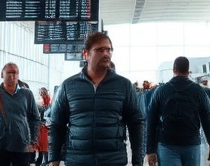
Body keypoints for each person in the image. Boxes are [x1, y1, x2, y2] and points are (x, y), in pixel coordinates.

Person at [47, 32, 144, 166]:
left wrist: (138, 160)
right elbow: (57, 125)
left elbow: (136, 123)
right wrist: (53, 159)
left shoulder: (123, 86)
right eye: (99, 50)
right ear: (86, 54)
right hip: (78, 160)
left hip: (113, 160)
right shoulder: (68, 86)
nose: (106, 53)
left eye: (108, 49)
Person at [145, 57, 210, 166]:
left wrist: (150, 151)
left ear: (173, 70)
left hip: (167, 144)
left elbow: (151, 121)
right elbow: (208, 120)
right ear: (188, 70)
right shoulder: (199, 91)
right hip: (192, 143)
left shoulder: (160, 91)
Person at [0, 62, 42, 166]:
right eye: (9, 73)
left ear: (18, 75)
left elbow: (35, 118)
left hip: (22, 145)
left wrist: (32, 141)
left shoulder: (27, 94)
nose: (12, 76)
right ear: (2, 75)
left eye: (15, 73)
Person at [36, 87, 52, 166]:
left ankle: (44, 161)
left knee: (43, 146)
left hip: (44, 127)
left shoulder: (44, 103)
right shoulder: (49, 103)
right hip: (44, 127)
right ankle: (44, 161)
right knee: (44, 146)